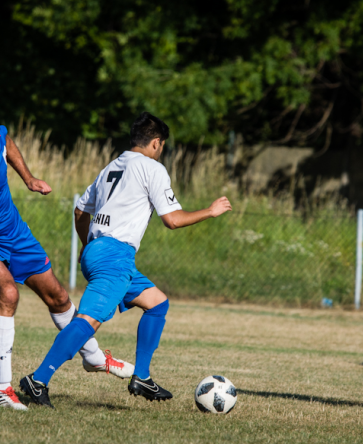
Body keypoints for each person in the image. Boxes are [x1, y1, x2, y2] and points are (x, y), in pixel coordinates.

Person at [19, 112, 232, 409]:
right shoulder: (152, 169)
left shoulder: (110, 168)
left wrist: (87, 246)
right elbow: (171, 219)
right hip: (114, 257)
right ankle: (38, 380)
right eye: (163, 146)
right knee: (87, 322)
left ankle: (141, 376)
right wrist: (209, 211)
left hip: (100, 252)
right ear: (156, 143)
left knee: (157, 303)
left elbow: (80, 212)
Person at [0, 124, 133, 411]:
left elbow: (8, 144)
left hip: (15, 232)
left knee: (59, 298)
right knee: (8, 294)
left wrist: (28, 178)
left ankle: (93, 358)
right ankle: (1, 391)